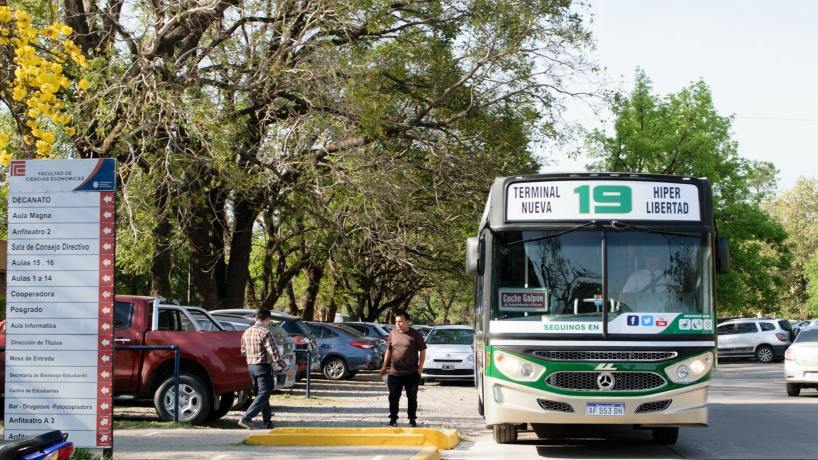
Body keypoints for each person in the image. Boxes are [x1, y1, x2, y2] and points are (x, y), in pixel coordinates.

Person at [239, 308, 286, 429]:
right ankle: (247, 417)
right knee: (266, 391)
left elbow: (243, 351)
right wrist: (282, 365)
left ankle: (267, 422)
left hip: (251, 366)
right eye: (269, 320)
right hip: (262, 366)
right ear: (266, 319)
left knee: (262, 393)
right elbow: (273, 351)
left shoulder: (246, 332)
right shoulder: (264, 332)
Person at [380, 310, 427, 427]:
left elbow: (422, 351)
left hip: (411, 373)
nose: (398, 324)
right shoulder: (393, 333)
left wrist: (420, 368)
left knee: (412, 398)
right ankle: (393, 419)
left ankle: (412, 420)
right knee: (393, 397)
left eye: (400, 321)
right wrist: (384, 366)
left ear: (407, 321)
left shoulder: (415, 334)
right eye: (396, 322)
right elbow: (389, 350)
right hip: (395, 373)